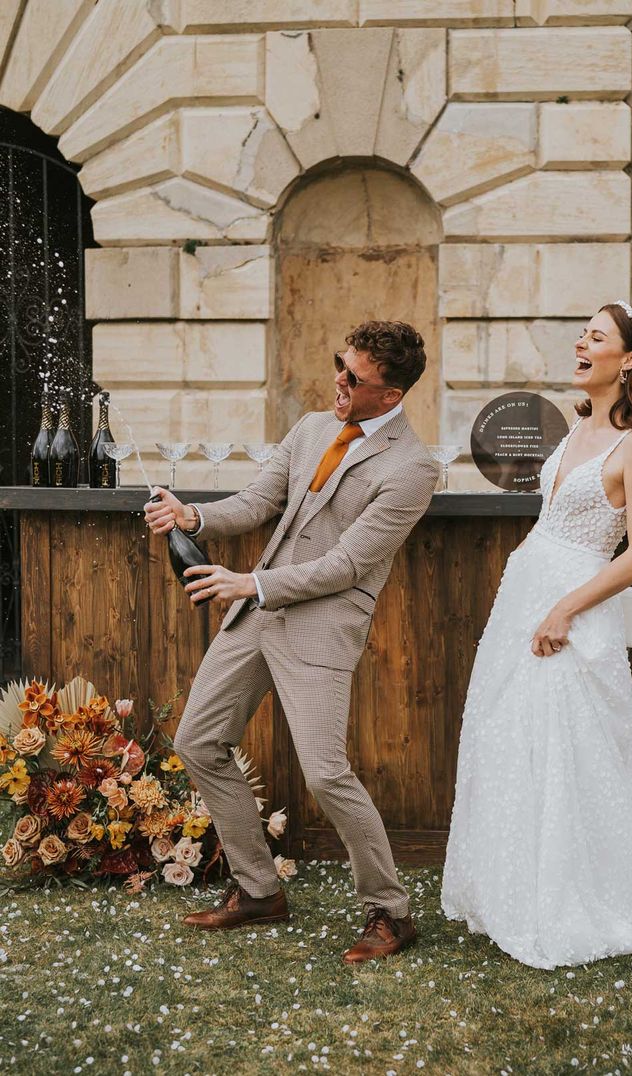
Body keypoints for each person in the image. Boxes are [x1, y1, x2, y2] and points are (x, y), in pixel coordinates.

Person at [144, 320, 439, 964]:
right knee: (198, 740)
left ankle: (391, 911)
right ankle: (258, 890)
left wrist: (250, 583)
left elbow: (347, 565)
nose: (339, 378)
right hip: (258, 612)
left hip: (319, 625)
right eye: (340, 362)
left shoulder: (414, 468)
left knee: (326, 772)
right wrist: (191, 516)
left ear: (389, 396)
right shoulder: (310, 428)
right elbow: (256, 501)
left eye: (354, 376)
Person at [442, 300, 632, 969]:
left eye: (595, 337)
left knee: (566, 746)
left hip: (576, 606)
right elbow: (549, 522)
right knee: (506, 733)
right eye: (581, 334)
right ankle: (510, 889)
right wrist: (528, 592)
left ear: (628, 360)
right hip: (525, 596)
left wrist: (565, 608)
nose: (579, 343)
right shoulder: (577, 429)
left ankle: (566, 896)